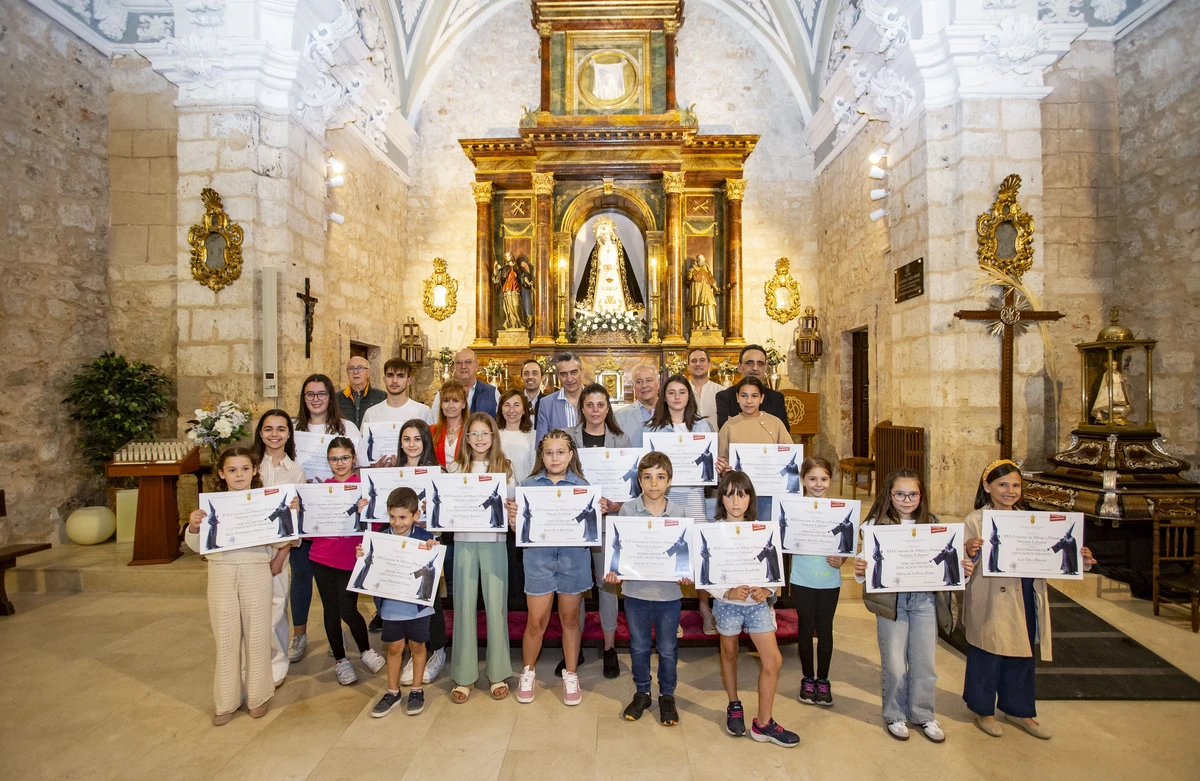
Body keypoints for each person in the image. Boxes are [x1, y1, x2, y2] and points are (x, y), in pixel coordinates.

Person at [961, 460, 1095, 739]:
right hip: (991, 596)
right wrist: (970, 551)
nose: (1010, 491)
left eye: (1016, 485)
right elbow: (961, 562)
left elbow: (1052, 554)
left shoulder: (1033, 521)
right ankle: (983, 708)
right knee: (988, 650)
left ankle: (1019, 709)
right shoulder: (975, 520)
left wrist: (1079, 559)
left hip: (1024, 592)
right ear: (987, 487)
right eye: (1002, 484)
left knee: (1022, 650)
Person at [853, 469, 967, 743]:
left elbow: (946, 562)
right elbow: (864, 567)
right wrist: (861, 567)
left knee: (924, 661)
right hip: (892, 602)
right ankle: (894, 713)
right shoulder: (874, 525)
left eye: (913, 494)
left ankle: (923, 714)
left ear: (921, 495)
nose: (906, 500)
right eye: (900, 494)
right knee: (894, 663)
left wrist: (963, 567)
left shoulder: (934, 524)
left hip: (924, 600)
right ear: (889, 496)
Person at [185, 446, 289, 725]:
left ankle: (259, 695)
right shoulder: (212, 504)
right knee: (227, 637)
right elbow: (198, 545)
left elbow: (282, 539)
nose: (239, 475)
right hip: (221, 572)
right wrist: (194, 526)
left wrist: (289, 514)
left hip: (256, 571)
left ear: (254, 470)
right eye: (232, 470)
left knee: (257, 635)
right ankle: (226, 700)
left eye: (244, 469)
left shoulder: (263, 501)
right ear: (221, 474)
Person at [706, 470, 799, 748]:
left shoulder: (763, 529)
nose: (736, 501)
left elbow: (774, 569)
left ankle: (764, 723)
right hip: (727, 605)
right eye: (730, 494)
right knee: (729, 653)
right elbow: (706, 574)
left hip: (757, 605)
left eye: (742, 494)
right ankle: (734, 703)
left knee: (773, 660)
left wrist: (768, 589)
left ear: (750, 498)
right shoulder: (712, 530)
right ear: (722, 498)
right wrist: (726, 592)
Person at [607, 451, 691, 725]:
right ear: (639, 481)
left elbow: (685, 553)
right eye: (647, 477)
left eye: (660, 477)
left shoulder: (678, 513)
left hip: (668, 595)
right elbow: (619, 549)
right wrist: (614, 571)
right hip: (635, 594)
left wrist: (687, 572)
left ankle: (667, 695)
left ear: (669, 481)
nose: (654, 483)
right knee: (639, 646)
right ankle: (642, 690)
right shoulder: (628, 510)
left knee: (668, 648)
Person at [510, 430, 594, 706]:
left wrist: (597, 514)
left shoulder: (584, 486)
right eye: (549, 452)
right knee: (537, 621)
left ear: (571, 455)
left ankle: (571, 674)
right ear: (541, 456)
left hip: (573, 559)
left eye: (560, 452)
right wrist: (514, 521)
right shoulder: (529, 486)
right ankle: (528, 672)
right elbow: (521, 529)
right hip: (538, 560)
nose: (554, 457)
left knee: (570, 619)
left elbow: (588, 528)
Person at [289, 374, 362, 663]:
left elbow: (360, 466)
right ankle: (300, 633)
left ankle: (339, 635)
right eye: (310, 394)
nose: (316, 399)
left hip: (340, 520)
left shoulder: (347, 427)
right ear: (303, 398)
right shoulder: (294, 430)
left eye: (321, 394)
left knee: (340, 586)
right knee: (302, 576)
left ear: (331, 397)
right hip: (309, 516)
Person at [446, 413, 515, 702]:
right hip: (463, 542)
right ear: (466, 438)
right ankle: (464, 676)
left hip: (495, 543)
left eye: (484, 433)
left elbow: (513, 507)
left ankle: (497, 672)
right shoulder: (454, 468)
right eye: (473, 434)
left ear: (494, 436)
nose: (479, 439)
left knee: (496, 606)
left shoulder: (506, 469)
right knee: (463, 606)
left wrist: (513, 511)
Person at [567, 383, 632, 679]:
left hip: (608, 524)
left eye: (600, 405)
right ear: (582, 408)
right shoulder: (567, 438)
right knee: (577, 588)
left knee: (607, 586)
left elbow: (633, 486)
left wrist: (617, 505)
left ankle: (609, 647)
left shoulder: (621, 439)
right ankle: (574, 648)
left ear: (608, 408)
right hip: (574, 526)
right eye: (590, 405)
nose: (595, 410)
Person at [312, 437, 386, 685]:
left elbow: (376, 525)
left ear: (354, 458)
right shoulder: (322, 490)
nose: (340, 463)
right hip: (321, 558)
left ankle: (365, 650)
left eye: (344, 458)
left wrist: (368, 511)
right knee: (330, 611)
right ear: (328, 461)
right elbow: (310, 529)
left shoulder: (363, 487)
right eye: (334, 459)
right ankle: (341, 660)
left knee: (348, 609)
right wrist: (302, 510)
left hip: (349, 559)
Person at [645, 375, 714, 633]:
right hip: (665, 498)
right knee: (669, 551)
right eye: (671, 392)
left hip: (694, 495)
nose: (676, 397)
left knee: (698, 554)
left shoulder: (702, 427)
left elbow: (708, 463)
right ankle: (668, 614)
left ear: (689, 396)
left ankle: (705, 609)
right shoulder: (653, 429)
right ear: (664, 397)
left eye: (681, 392)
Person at [362, 487, 439, 718]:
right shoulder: (381, 538)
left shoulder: (425, 539)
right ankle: (392, 692)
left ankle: (416, 690)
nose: (397, 522)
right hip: (391, 606)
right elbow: (370, 566)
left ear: (416, 515)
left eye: (403, 517)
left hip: (418, 607)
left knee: (417, 646)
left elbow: (434, 567)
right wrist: (362, 555)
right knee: (394, 647)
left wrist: (434, 550)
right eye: (392, 517)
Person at [251, 411, 305, 686]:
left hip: (278, 550)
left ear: (288, 434)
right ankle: (251, 664)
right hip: (248, 550)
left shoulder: (294, 471)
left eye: (281, 429)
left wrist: (283, 552)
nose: (275, 434)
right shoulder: (249, 465)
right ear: (260, 433)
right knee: (250, 611)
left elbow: (297, 520)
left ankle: (276, 664)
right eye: (268, 429)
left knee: (276, 608)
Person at [394, 419, 449, 685]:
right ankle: (412, 651)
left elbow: (448, 513)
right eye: (407, 439)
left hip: (428, 543)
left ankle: (436, 650)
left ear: (426, 441)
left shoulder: (438, 471)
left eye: (417, 439)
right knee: (403, 596)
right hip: (399, 544)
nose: (412, 444)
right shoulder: (391, 474)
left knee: (429, 598)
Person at [790, 457, 844, 707]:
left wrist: (841, 559)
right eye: (812, 478)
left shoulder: (839, 510)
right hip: (801, 578)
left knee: (825, 630)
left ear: (830, 481)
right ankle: (807, 678)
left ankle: (823, 679)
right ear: (802, 480)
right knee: (805, 628)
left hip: (829, 580)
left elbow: (847, 543)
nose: (818, 484)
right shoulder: (794, 508)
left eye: (823, 479)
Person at [716, 376, 791, 522]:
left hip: (769, 495)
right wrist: (723, 469)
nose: (749, 401)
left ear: (762, 398)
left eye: (754, 396)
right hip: (739, 496)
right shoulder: (729, 426)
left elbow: (789, 456)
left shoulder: (775, 423)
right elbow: (722, 458)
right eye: (744, 396)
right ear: (737, 398)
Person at [499, 389, 536, 600]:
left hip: (522, 503)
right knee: (503, 557)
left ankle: (521, 603)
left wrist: (520, 499)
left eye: (516, 405)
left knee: (520, 557)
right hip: (499, 503)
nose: (511, 410)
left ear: (524, 410)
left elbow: (534, 468)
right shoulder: (494, 434)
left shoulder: (532, 435)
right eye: (506, 405)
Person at [715, 345, 790, 430]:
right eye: (749, 363)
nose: (755, 368)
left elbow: (783, 430)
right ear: (739, 367)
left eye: (760, 364)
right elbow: (725, 428)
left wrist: (738, 423)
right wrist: (768, 426)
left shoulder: (776, 398)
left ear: (765, 368)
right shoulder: (724, 397)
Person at [361, 358, 433, 434]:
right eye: (390, 376)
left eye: (400, 376)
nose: (394, 381)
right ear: (384, 380)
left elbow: (430, 443)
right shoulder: (371, 413)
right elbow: (364, 444)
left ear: (409, 381)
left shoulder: (422, 411)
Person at [432, 348, 500, 418]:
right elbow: (435, 422)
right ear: (455, 366)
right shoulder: (443, 392)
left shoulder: (492, 393)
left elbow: (500, 424)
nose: (463, 366)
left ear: (476, 366)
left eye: (468, 362)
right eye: (459, 363)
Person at [536, 352, 586, 443]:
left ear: (582, 372)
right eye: (564, 374)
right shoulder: (546, 404)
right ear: (558, 376)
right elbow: (541, 444)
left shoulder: (596, 401)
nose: (569, 379)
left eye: (574, 372)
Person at [615, 365, 660, 446]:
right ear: (634, 386)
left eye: (649, 380)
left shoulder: (671, 411)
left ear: (658, 383)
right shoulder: (621, 416)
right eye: (639, 382)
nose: (644, 385)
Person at [338, 356, 387, 429]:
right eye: (351, 368)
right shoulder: (337, 398)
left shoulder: (381, 396)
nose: (355, 372)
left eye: (360, 368)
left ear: (368, 372)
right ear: (347, 373)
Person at [432, 380, 468, 468]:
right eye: (446, 400)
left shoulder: (471, 431)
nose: (450, 406)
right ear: (441, 404)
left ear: (463, 404)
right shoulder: (431, 431)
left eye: (455, 401)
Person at [688, 347, 724, 432]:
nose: (698, 364)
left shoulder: (721, 392)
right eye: (693, 361)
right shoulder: (682, 391)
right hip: (687, 442)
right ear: (688, 366)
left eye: (702, 360)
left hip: (716, 442)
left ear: (709, 365)